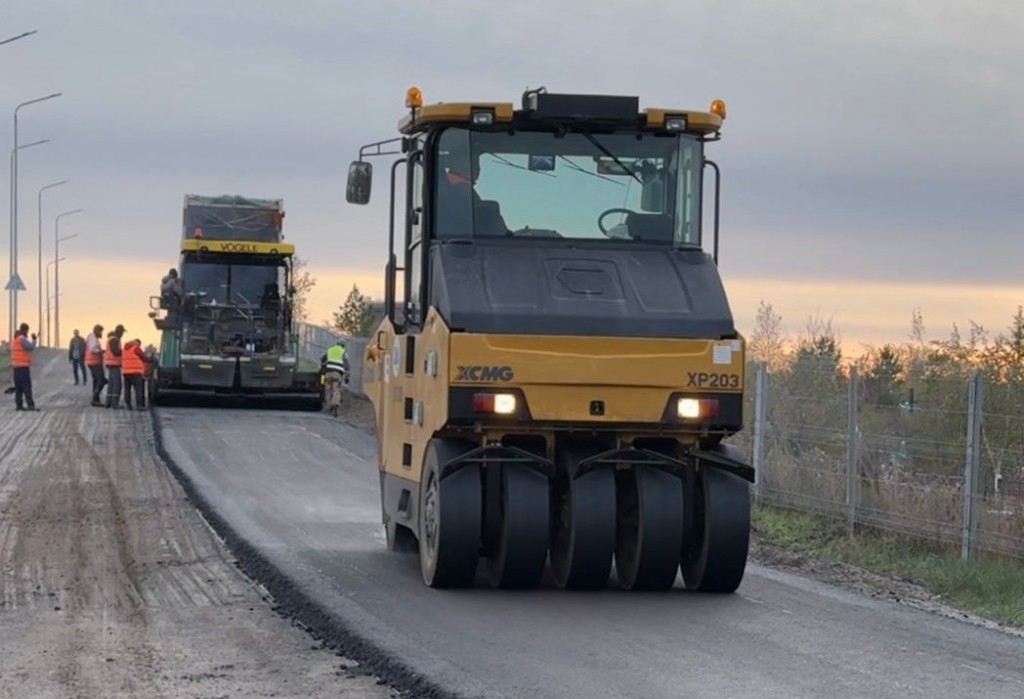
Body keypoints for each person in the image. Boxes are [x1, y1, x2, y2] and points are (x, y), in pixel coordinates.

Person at [11, 323, 38, 411]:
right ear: (25, 330)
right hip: (23, 367)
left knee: (18, 387)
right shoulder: (22, 339)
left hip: (16, 367)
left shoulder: (15, 340)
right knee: (27, 386)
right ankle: (30, 405)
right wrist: (34, 340)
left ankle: (19, 405)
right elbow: (30, 348)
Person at [320, 339, 349, 417]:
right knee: (336, 389)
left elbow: (322, 358)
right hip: (337, 374)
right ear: (343, 346)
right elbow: (346, 365)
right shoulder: (343, 352)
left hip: (328, 372)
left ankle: (329, 404)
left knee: (328, 389)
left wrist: (323, 366)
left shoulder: (330, 350)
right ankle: (335, 403)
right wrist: (347, 376)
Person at [121, 338, 149, 410]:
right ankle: (139, 406)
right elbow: (144, 357)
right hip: (136, 372)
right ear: (137, 343)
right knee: (138, 389)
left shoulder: (125, 349)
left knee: (127, 389)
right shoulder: (136, 348)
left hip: (126, 372)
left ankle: (128, 405)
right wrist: (150, 359)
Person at [104, 324, 126, 409]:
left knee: (111, 384)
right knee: (117, 384)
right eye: (122, 332)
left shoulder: (112, 338)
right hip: (114, 364)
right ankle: (114, 403)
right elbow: (116, 352)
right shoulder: (114, 339)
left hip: (111, 364)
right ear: (119, 332)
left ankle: (108, 402)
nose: (122, 334)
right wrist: (124, 352)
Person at [85, 324, 107, 407]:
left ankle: (96, 399)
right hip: (94, 362)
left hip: (93, 362)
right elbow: (93, 349)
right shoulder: (93, 338)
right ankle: (95, 398)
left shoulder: (92, 337)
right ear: (97, 331)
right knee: (101, 380)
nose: (101, 334)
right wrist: (101, 351)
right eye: (101, 332)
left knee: (97, 380)